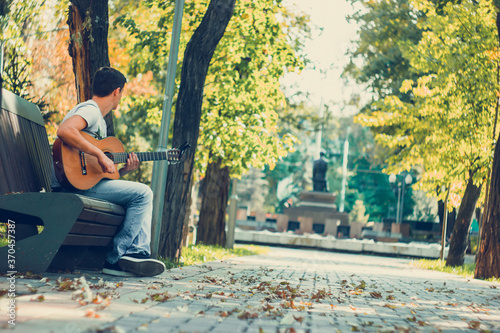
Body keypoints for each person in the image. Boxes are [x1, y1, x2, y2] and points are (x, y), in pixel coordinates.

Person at [50, 67, 165, 277]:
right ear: (117, 91)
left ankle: (135, 254)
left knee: (138, 194)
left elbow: (94, 174)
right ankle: (118, 258)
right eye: (122, 94)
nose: (121, 98)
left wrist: (122, 172)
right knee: (143, 194)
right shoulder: (91, 110)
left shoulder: (99, 120)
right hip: (69, 186)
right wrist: (100, 154)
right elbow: (64, 130)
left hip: (83, 184)